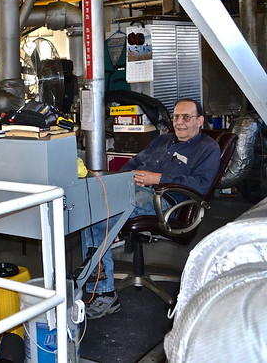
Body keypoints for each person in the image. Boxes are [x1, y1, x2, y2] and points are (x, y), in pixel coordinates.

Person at [81, 98, 221, 320]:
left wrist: (158, 178)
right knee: (88, 207)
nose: (180, 122)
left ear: (200, 121)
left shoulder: (208, 148)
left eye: (187, 117)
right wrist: (124, 179)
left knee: (100, 216)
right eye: (176, 117)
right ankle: (93, 283)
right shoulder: (161, 141)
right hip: (135, 191)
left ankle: (104, 294)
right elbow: (132, 165)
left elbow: (202, 185)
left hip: (166, 201)